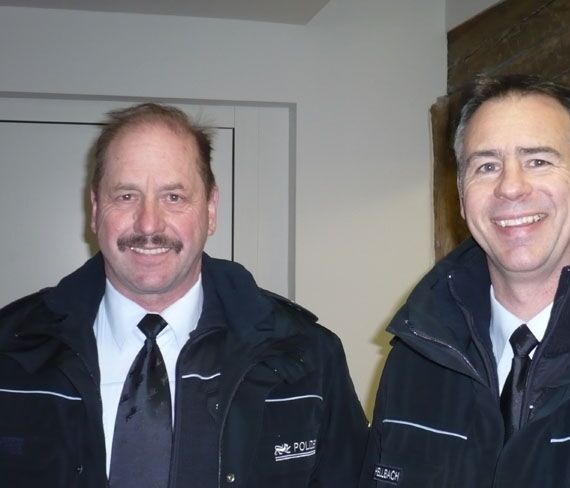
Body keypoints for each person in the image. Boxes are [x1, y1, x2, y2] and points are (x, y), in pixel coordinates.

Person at [0, 103, 367, 487]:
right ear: (95, 210)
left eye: (173, 197)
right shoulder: (10, 351)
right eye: (126, 196)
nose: (148, 224)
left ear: (210, 209)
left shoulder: (308, 358)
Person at [360, 74, 570, 487]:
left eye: (538, 161)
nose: (510, 187)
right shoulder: (415, 361)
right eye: (487, 166)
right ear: (462, 197)